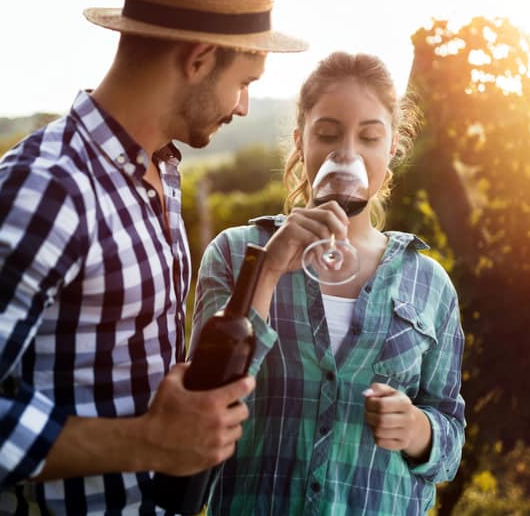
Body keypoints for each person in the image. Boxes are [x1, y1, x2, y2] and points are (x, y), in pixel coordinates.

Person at [0, 0, 307, 514]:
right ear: (199, 58)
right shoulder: (44, 191)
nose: (244, 106)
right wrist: (149, 441)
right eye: (244, 83)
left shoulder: (161, 171)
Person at [192, 52, 466, 514]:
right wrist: (271, 268)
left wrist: (420, 431)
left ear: (393, 146)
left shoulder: (429, 282)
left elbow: (451, 438)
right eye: (328, 133)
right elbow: (200, 402)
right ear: (300, 142)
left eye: (370, 137)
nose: (348, 154)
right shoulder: (236, 253)